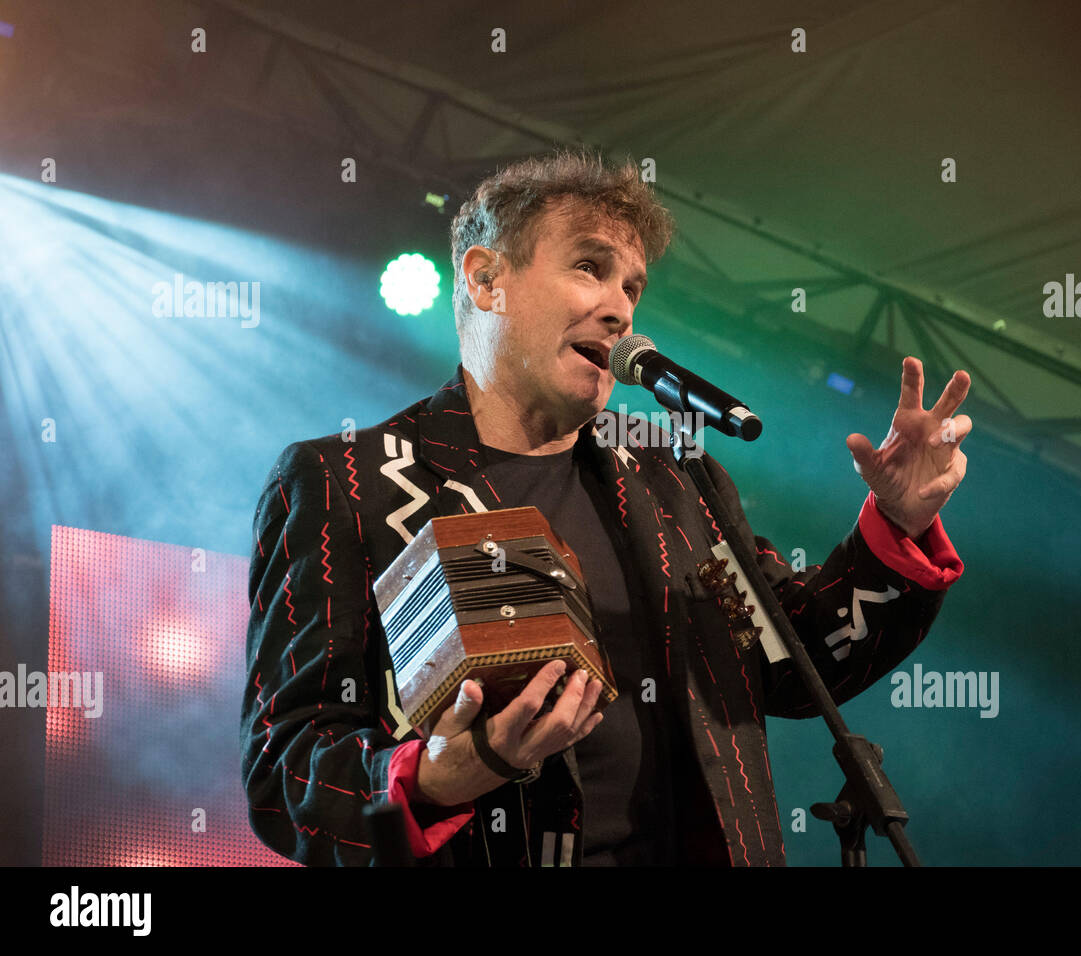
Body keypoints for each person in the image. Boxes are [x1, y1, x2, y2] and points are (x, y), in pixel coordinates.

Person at [240, 147, 971, 866]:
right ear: (487, 279)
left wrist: (898, 522)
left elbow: (794, 656)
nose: (621, 309)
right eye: (590, 267)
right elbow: (287, 769)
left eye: (634, 287)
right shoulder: (345, 480)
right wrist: (439, 776)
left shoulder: (677, 480)